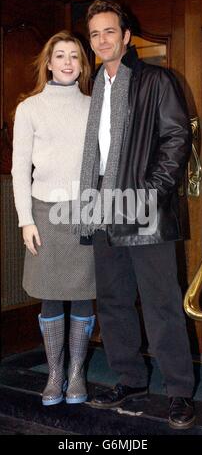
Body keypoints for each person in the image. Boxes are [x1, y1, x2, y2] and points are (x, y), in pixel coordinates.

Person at [78, 0, 195, 429]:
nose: (102, 40)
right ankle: (129, 378)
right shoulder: (93, 89)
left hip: (144, 207)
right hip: (102, 205)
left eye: (110, 31)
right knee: (113, 301)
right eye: (95, 34)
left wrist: (150, 193)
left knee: (162, 304)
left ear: (126, 36)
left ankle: (180, 390)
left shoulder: (156, 80)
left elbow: (176, 139)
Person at [12, 30, 96, 406]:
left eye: (74, 56)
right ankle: (55, 375)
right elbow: (18, 171)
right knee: (49, 298)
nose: (66, 62)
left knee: (82, 297)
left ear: (82, 65)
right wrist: (25, 220)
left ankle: (76, 375)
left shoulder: (95, 107)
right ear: (48, 64)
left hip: (85, 212)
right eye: (59, 55)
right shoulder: (29, 108)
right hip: (44, 212)